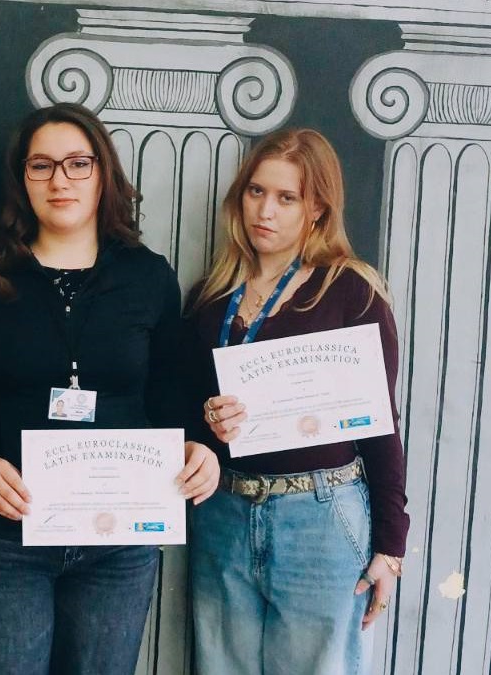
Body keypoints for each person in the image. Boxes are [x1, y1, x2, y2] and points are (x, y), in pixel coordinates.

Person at [0, 102, 220, 675]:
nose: (60, 180)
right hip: (7, 532)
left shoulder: (147, 275)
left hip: (119, 537)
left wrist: (197, 445)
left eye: (79, 163)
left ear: (103, 174)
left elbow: (170, 389)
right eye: (42, 166)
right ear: (21, 179)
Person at [187, 128, 410, 675]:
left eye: (287, 198)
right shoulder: (209, 297)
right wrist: (205, 422)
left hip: (319, 516)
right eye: (256, 192)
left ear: (317, 210)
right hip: (223, 512)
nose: (265, 211)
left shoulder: (350, 291)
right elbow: (180, 409)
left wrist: (390, 546)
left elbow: (380, 425)